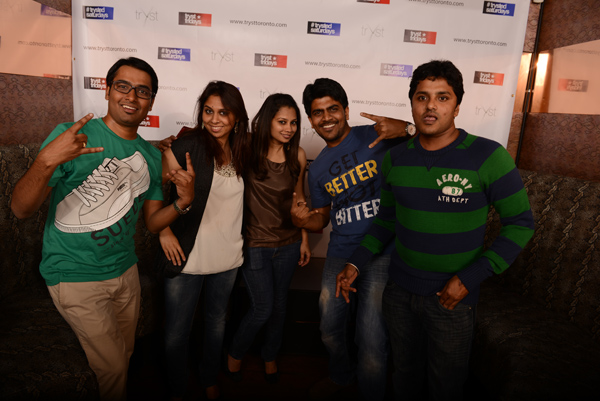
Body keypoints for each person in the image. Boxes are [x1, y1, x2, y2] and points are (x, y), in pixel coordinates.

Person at [338, 60, 535, 401]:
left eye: (442, 97)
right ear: (412, 104)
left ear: (457, 106)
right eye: (422, 97)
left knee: (446, 387)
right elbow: (386, 221)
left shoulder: (488, 156)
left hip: (452, 297)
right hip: (399, 293)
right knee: (405, 378)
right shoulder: (395, 159)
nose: (431, 106)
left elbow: (520, 224)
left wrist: (469, 279)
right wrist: (355, 262)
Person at [10, 57, 195, 401]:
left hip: (125, 271)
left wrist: (183, 201)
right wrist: (45, 161)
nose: (132, 96)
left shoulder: (151, 157)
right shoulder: (72, 136)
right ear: (108, 90)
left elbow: (152, 222)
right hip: (74, 273)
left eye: (142, 91)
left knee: (124, 356)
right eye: (123, 86)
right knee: (112, 368)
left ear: (151, 101)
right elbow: (20, 209)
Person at [291, 78, 412, 401]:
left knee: (371, 338)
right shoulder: (318, 169)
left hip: (382, 251)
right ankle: (342, 376)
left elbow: (432, 143)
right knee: (329, 328)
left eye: (333, 109)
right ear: (311, 119)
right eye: (318, 113)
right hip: (340, 253)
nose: (326, 118)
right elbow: (322, 218)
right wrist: (303, 221)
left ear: (346, 111)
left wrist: (408, 128)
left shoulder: (376, 135)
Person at [155, 80, 251, 401]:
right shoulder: (188, 145)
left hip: (228, 257)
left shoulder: (244, 149)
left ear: (236, 116)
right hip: (185, 255)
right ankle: (177, 387)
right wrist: (164, 231)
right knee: (176, 333)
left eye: (223, 112)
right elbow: (152, 190)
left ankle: (209, 377)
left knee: (216, 324)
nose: (214, 119)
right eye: (208, 111)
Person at [226, 93, 311, 384]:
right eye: (282, 122)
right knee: (262, 308)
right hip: (255, 244)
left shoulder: (298, 155)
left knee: (279, 306)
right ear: (267, 121)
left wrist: (304, 238)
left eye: (294, 123)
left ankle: (270, 355)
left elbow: (299, 199)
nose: (289, 128)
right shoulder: (247, 148)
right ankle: (235, 353)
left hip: (288, 244)